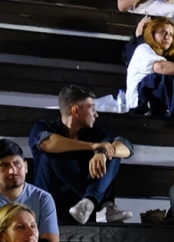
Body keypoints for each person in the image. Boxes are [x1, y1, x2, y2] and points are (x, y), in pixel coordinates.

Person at [29, 86, 133, 227]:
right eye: (92, 108)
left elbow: (127, 147)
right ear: (75, 111)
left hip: (82, 213)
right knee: (53, 151)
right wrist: (93, 146)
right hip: (49, 210)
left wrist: (102, 152)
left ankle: (89, 202)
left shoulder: (95, 132)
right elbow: (48, 144)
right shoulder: (44, 127)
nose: (96, 114)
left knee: (111, 150)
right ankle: (95, 200)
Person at [126, 18, 174, 117]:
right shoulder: (143, 49)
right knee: (168, 75)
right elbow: (159, 67)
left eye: (170, 34)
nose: (167, 37)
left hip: (156, 104)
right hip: (138, 104)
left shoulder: (164, 57)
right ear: (152, 34)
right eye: (163, 32)